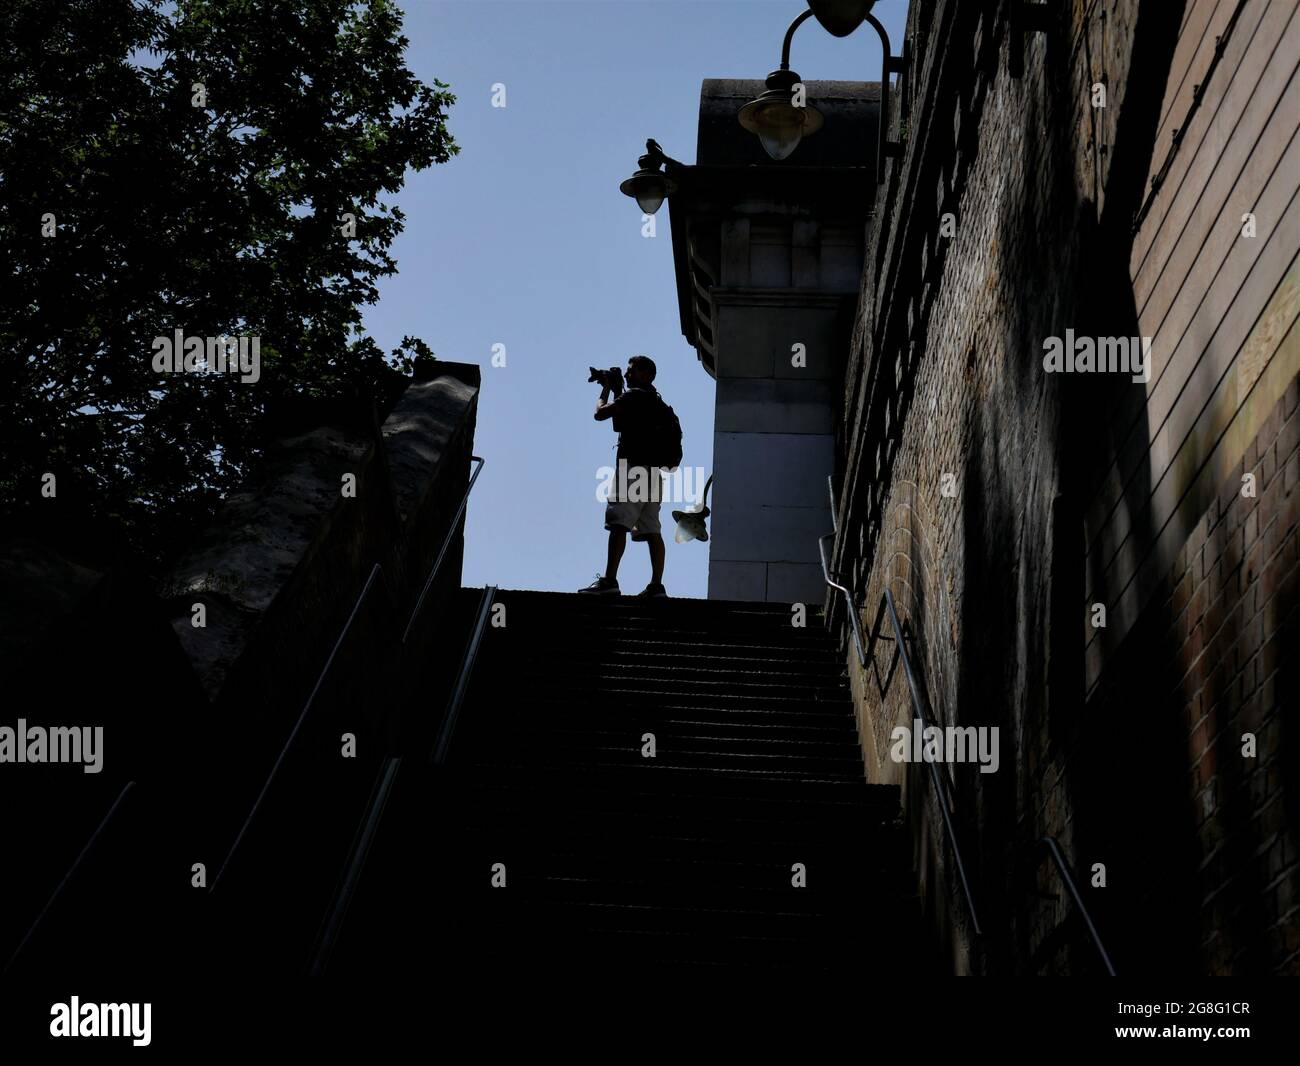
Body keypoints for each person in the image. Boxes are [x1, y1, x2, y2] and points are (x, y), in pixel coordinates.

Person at [578, 355, 668, 598]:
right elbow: (620, 424)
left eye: (632, 371)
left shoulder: (634, 396)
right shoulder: (657, 403)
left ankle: (609, 581)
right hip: (653, 473)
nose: (628, 375)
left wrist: (606, 389)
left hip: (632, 469)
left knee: (619, 524)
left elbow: (600, 414)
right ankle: (656, 586)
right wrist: (619, 388)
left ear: (646, 374)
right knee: (651, 529)